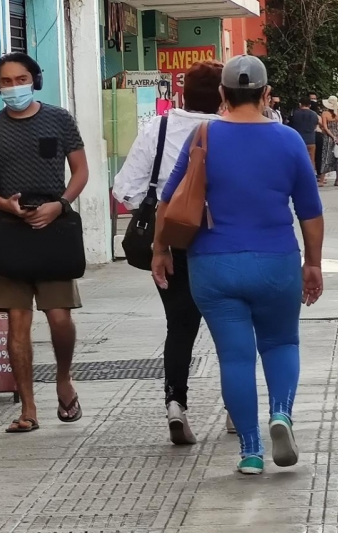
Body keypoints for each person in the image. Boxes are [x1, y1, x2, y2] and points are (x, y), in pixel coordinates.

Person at [152, 55, 324, 475]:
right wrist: (313, 264)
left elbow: (168, 200)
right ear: (266, 94)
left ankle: (250, 450)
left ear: (223, 95)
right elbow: (311, 213)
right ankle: (281, 414)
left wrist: (160, 250)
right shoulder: (288, 141)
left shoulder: (203, 134)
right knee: (282, 343)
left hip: (213, 265)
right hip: (276, 260)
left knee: (235, 356)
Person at [0, 53, 89, 433]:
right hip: (11, 230)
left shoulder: (59, 119)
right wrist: (6, 205)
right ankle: (28, 408)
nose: (14, 86)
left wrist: (61, 204)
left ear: (34, 79)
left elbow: (81, 170)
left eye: (21, 78)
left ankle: (64, 379)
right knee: (16, 322)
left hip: (54, 228)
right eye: (6, 81)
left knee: (59, 316)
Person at [113, 61, 224, 445]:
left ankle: (176, 404)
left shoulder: (157, 128)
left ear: (182, 94)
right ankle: (233, 408)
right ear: (223, 95)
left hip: (170, 239)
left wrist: (159, 212)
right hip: (219, 240)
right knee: (229, 326)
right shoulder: (229, 130)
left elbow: (125, 188)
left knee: (180, 326)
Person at [319, 96, 338, 187]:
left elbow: (325, 127)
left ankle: (322, 180)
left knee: (326, 156)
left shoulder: (325, 114)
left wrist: (332, 136)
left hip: (328, 137)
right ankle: (337, 180)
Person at [290, 97, 320, 163]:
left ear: (300, 104)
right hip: (311, 140)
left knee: (299, 161)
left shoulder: (295, 113)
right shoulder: (314, 114)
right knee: (311, 161)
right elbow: (315, 125)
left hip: (298, 140)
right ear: (310, 105)